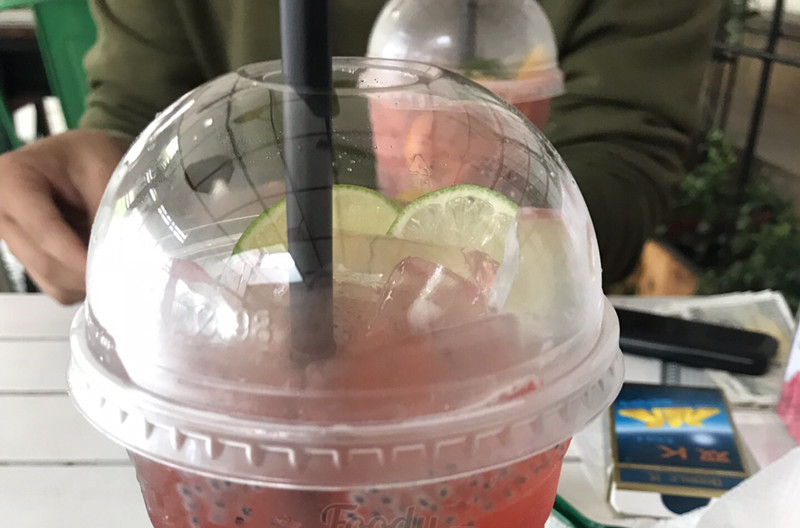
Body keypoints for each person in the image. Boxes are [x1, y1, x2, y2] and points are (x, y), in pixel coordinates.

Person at [0, 0, 721, 304]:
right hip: (233, 335)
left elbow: (624, 153)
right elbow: (139, 113)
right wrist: (93, 172)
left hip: (513, 348)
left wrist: (465, 238)